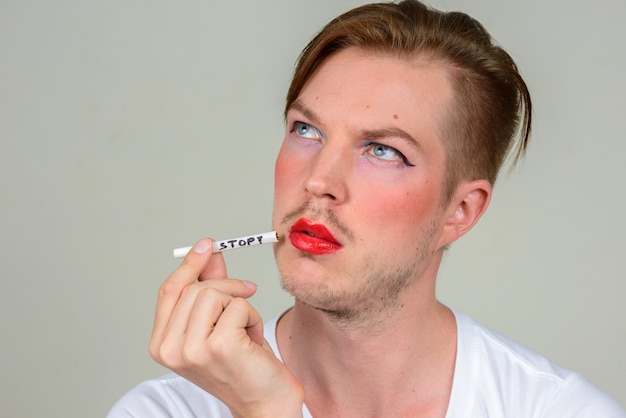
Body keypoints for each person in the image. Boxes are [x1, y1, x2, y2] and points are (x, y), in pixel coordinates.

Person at [109, 1, 625, 417]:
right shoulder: (165, 411)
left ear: (461, 211)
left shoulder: (558, 409)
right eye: (306, 130)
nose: (319, 181)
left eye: (383, 150)